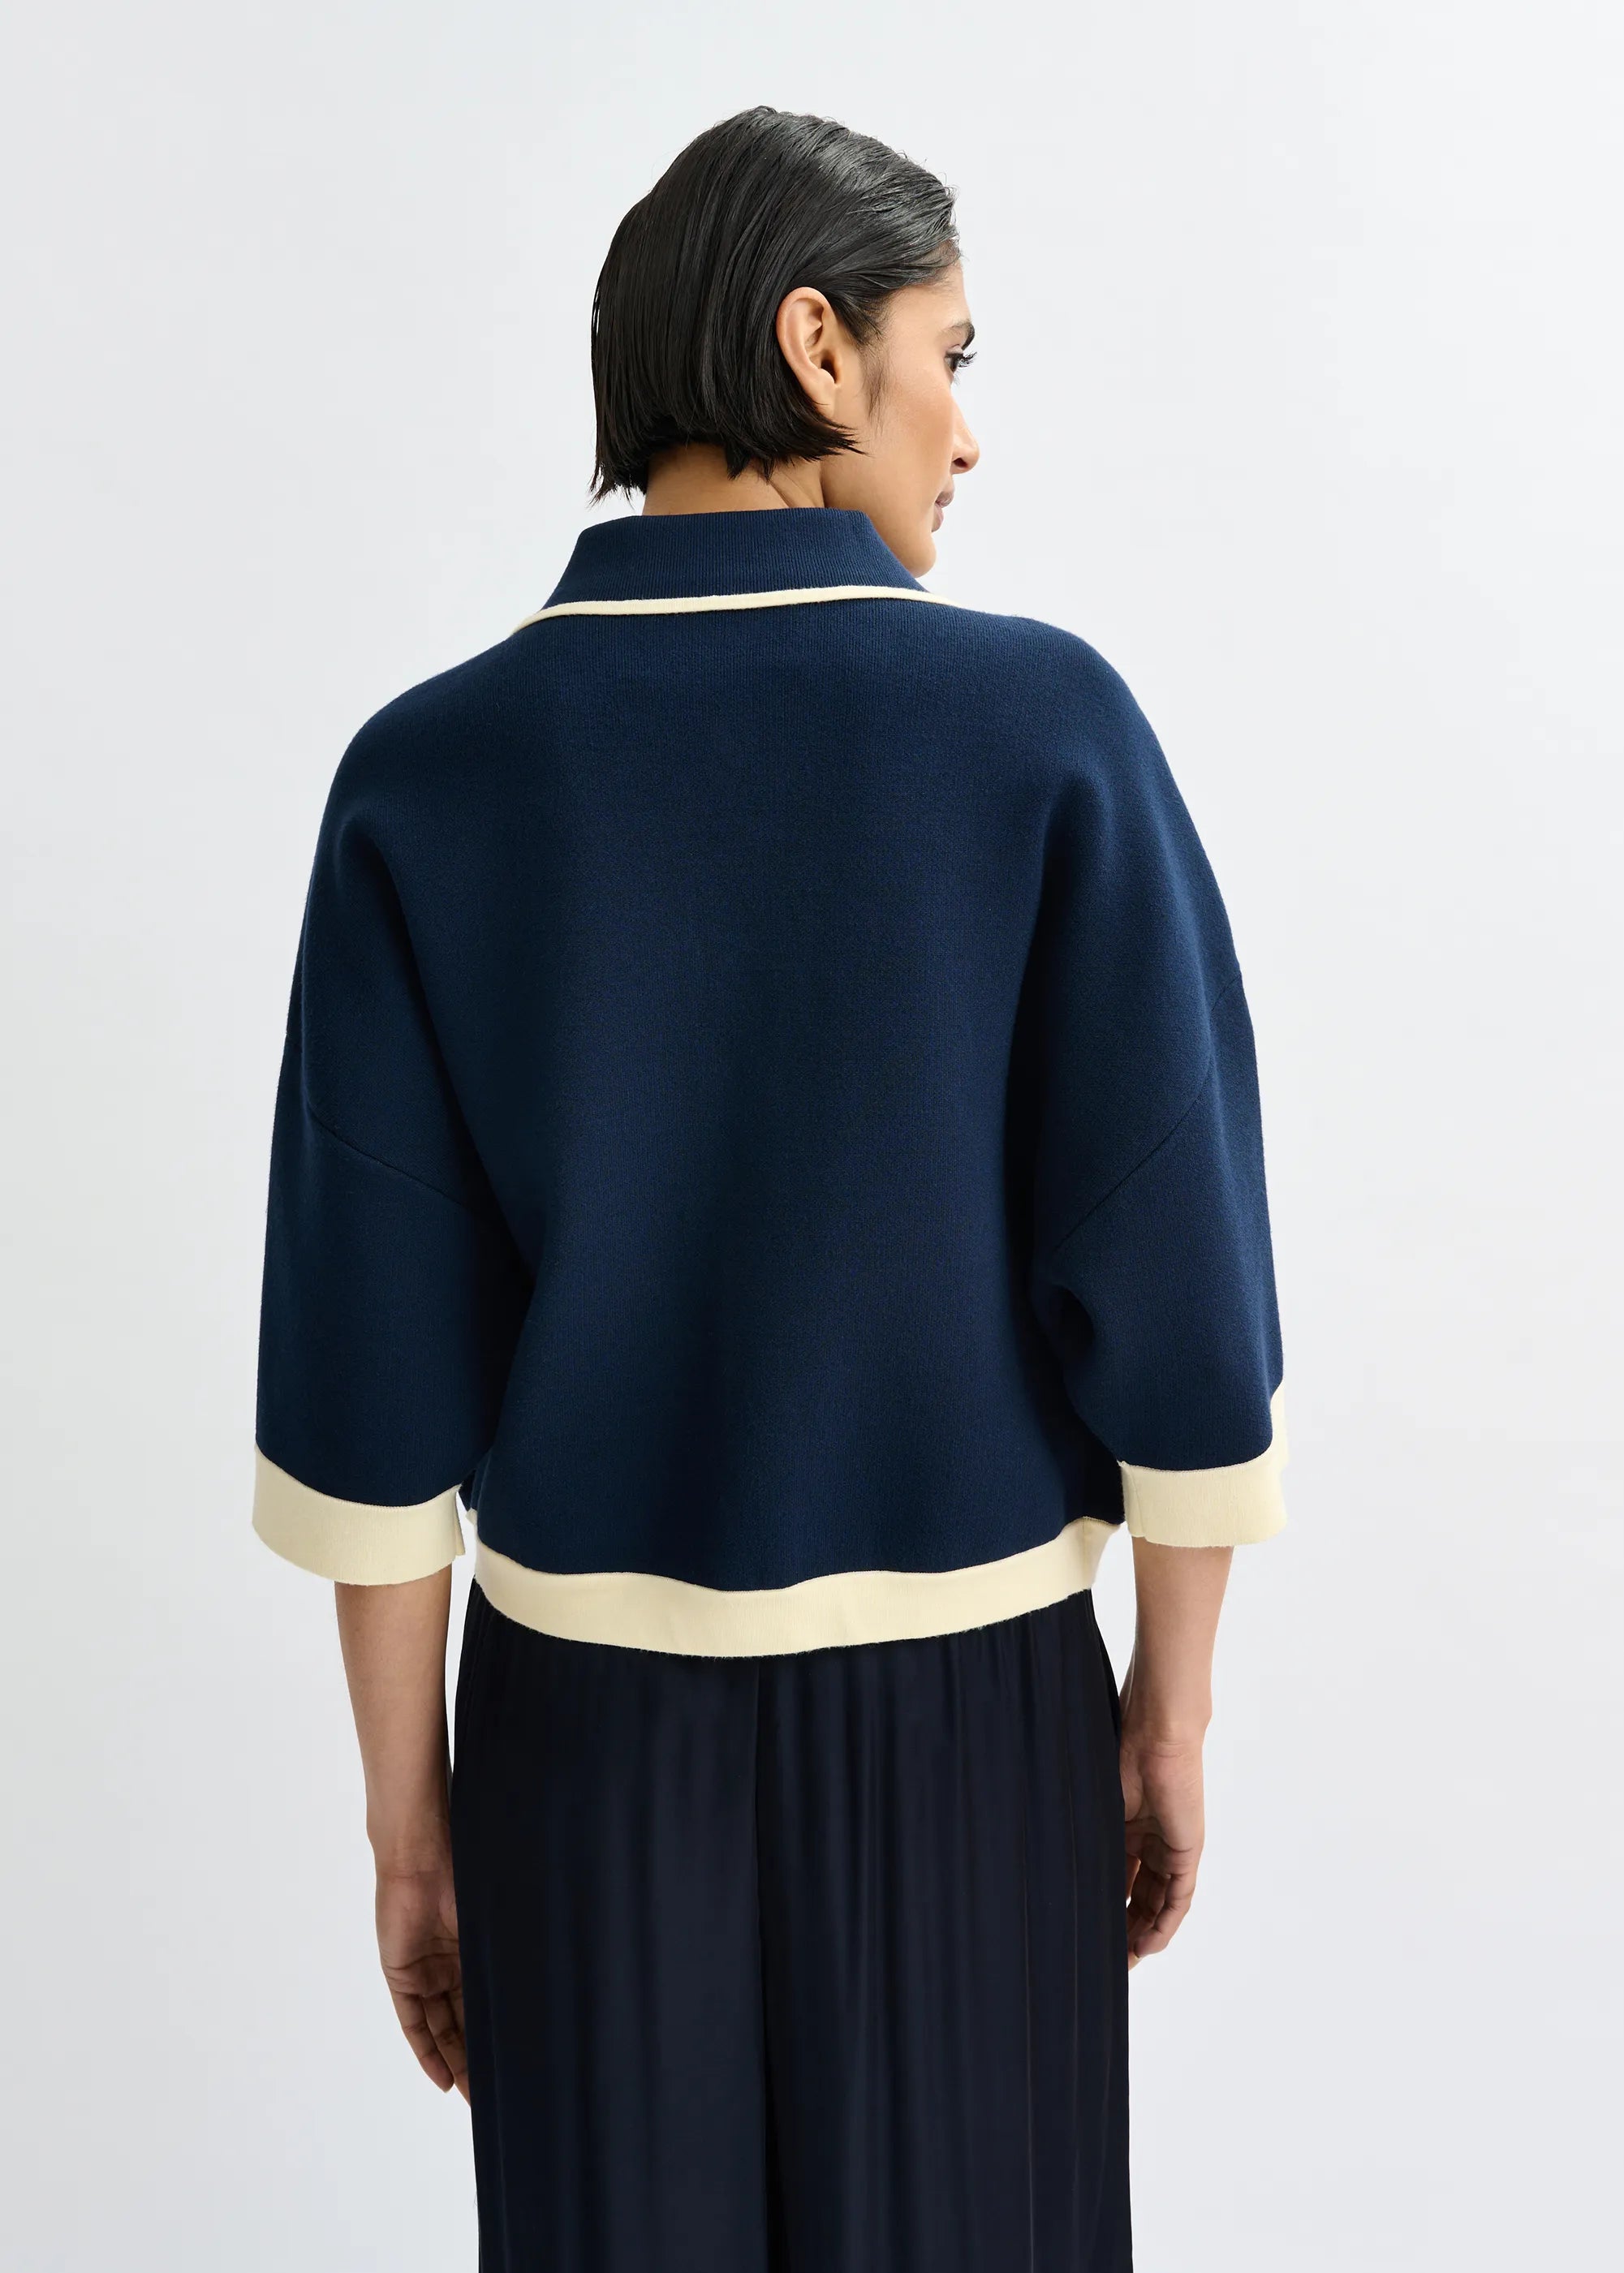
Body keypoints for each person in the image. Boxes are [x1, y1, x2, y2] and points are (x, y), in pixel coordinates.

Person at [251, 104, 1288, 2272]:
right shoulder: (1045, 733)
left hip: (580, 1745)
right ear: (821, 349)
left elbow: (369, 1383)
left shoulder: (426, 777)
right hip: (975, 1723)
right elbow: (1178, 1285)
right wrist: (1166, 1711)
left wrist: (412, 1823)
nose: (967, 433)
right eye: (951, 355)